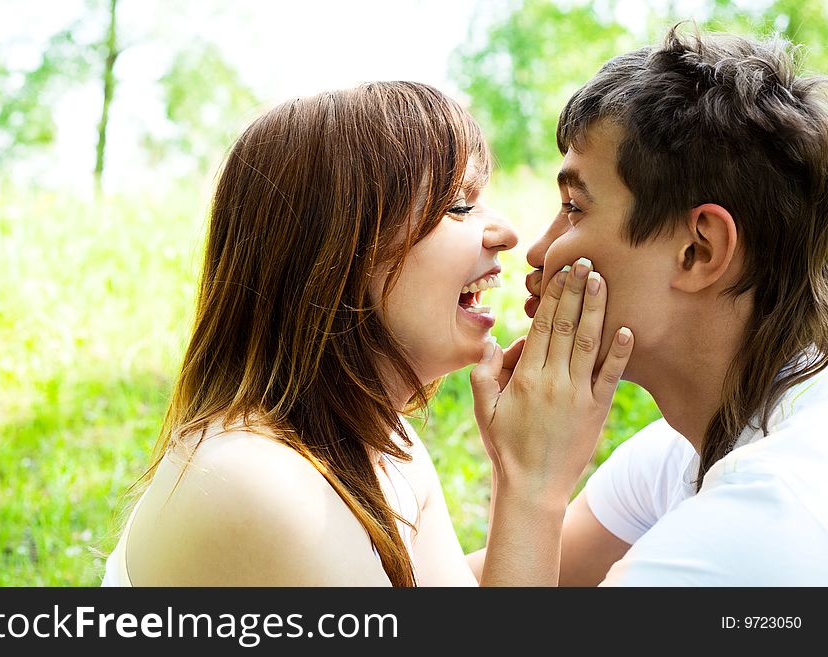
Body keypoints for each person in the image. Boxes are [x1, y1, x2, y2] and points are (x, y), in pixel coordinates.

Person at [101, 81, 634, 586]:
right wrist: (530, 486)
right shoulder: (257, 481)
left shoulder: (383, 452)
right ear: (335, 255)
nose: (506, 233)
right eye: (458, 206)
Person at [481, 25, 828, 585]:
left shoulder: (762, 518)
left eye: (574, 207)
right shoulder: (684, 448)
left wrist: (529, 486)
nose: (540, 250)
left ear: (699, 249)